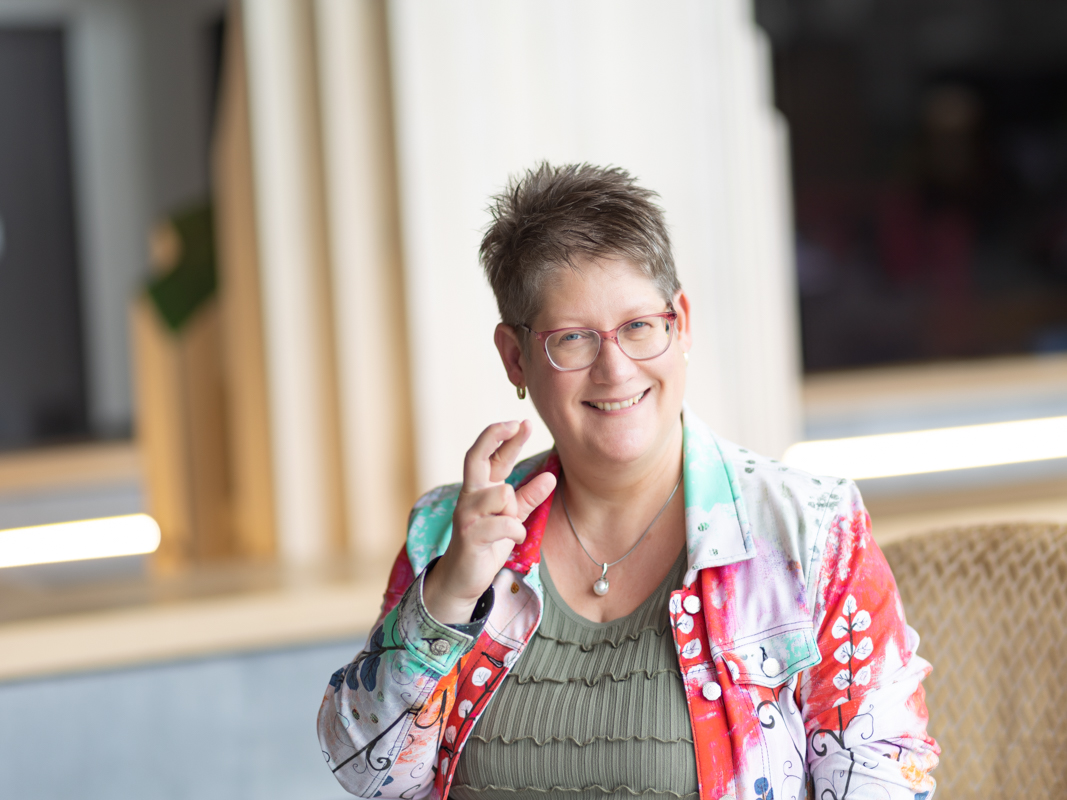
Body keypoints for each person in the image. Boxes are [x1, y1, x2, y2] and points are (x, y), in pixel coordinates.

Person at [318, 163, 939, 800]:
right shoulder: (449, 532)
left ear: (681, 323)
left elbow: (883, 776)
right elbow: (368, 775)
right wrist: (450, 594)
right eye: (573, 338)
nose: (615, 369)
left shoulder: (810, 529)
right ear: (516, 357)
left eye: (639, 326)